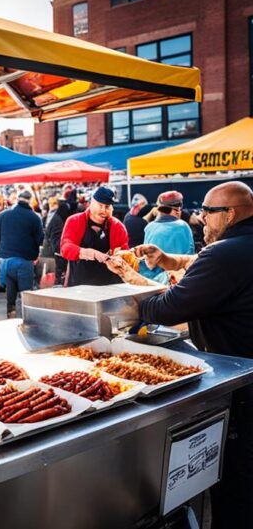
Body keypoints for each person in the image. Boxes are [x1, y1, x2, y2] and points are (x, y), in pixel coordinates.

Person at [105, 181, 253, 529]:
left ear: (229, 214)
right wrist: (168, 260)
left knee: (236, 486)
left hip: (242, 379)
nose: (201, 218)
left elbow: (168, 308)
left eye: (207, 212)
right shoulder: (235, 247)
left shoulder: (224, 255)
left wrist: (130, 280)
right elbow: (204, 262)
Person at [0, 190, 44, 318]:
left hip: (6, 259)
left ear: (17, 199)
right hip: (25, 260)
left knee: (10, 289)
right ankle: (25, 319)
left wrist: (1, 250)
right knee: (25, 292)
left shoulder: (2, 215)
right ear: (30, 201)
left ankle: (11, 314)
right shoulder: (34, 217)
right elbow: (40, 239)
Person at [60, 186, 128, 286]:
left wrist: (127, 258)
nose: (103, 210)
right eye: (100, 205)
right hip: (79, 286)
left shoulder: (118, 227)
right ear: (91, 203)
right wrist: (88, 253)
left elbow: (125, 253)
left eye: (107, 207)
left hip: (110, 286)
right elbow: (65, 248)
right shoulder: (75, 221)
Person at [136, 191, 195, 283]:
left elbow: (145, 261)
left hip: (152, 283)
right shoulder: (183, 227)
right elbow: (190, 259)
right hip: (176, 282)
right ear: (176, 210)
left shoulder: (149, 227)